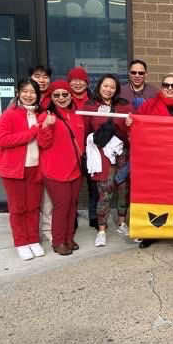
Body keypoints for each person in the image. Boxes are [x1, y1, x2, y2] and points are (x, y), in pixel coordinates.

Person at [137, 73, 173, 249]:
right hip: (155, 159)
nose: (169, 88)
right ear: (161, 87)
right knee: (155, 196)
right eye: (166, 85)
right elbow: (136, 125)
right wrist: (130, 123)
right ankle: (151, 232)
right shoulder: (149, 106)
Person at [0, 79, 45, 260]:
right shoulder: (9, 114)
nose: (29, 95)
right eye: (25, 91)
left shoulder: (40, 114)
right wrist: (31, 133)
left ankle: (33, 240)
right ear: (18, 92)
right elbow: (2, 140)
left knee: (33, 207)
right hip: (14, 170)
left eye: (33, 92)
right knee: (18, 208)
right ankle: (21, 242)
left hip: (35, 168)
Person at [82, 74, 133, 247]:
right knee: (104, 191)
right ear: (99, 87)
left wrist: (127, 122)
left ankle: (121, 222)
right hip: (102, 153)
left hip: (122, 152)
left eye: (112, 86)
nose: (108, 89)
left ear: (116, 89)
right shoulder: (90, 105)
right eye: (105, 86)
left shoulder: (123, 104)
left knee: (123, 188)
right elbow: (86, 130)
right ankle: (102, 230)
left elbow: (131, 127)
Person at [37, 81, 85, 256]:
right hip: (55, 170)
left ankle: (69, 237)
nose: (61, 98)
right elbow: (43, 143)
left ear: (71, 95)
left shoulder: (76, 114)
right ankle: (58, 241)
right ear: (51, 97)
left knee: (73, 205)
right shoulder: (47, 116)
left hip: (75, 168)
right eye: (56, 95)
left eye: (65, 94)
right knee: (62, 206)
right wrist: (45, 126)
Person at [68, 66, 99, 229]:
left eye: (81, 80)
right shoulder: (64, 99)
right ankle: (71, 218)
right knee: (72, 187)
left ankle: (94, 215)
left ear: (87, 83)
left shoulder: (94, 101)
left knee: (93, 186)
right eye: (74, 80)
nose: (78, 83)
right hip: (70, 151)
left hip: (91, 150)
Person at [28, 65, 53, 241]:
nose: (42, 80)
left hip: (48, 154)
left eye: (45, 77)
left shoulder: (55, 99)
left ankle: (47, 230)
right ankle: (31, 233)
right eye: (37, 76)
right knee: (29, 198)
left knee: (48, 198)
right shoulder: (19, 102)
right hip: (27, 156)